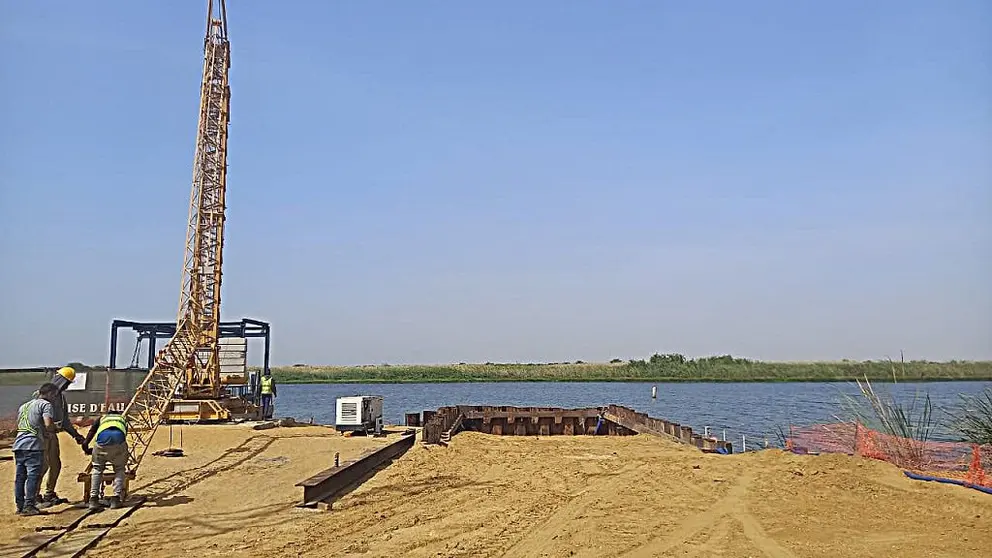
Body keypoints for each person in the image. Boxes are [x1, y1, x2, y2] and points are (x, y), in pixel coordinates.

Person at [35, 366, 87, 508]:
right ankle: (34, 496)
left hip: (52, 435)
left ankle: (49, 493)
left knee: (55, 465)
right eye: (66, 382)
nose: (66, 386)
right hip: (41, 435)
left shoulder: (61, 399)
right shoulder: (43, 395)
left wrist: (76, 436)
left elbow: (64, 421)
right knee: (42, 466)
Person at [13, 383, 58, 516]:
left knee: (20, 477)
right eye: (54, 395)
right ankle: (29, 505)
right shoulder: (45, 405)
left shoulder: (24, 406)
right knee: (33, 476)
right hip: (33, 445)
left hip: (19, 444)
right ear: (49, 393)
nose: (55, 398)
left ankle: (20, 506)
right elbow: (48, 423)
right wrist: (52, 430)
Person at [82, 412, 129, 510]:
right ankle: (116, 499)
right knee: (120, 469)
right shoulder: (122, 419)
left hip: (101, 443)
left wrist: (86, 447)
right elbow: (124, 436)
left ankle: (93, 499)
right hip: (118, 442)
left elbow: (92, 432)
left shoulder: (102, 418)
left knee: (97, 468)